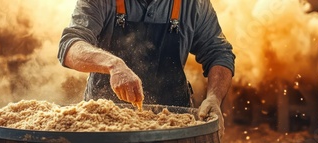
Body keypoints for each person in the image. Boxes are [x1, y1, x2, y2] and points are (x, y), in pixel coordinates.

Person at [58, 0, 234, 138]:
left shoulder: (195, 4)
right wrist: (113, 64)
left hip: (173, 124)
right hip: (103, 123)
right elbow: (70, 46)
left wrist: (214, 98)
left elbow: (219, 52)